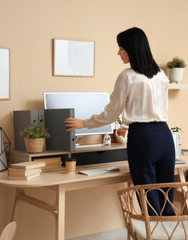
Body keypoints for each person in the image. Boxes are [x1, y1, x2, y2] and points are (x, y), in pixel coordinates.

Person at [65, 27, 175, 216]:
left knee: (147, 193)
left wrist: (84, 123)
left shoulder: (127, 76)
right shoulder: (161, 76)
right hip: (165, 136)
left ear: (132, 49)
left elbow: (112, 112)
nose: (118, 52)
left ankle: (153, 235)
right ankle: (169, 233)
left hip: (143, 137)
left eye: (121, 48)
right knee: (166, 193)